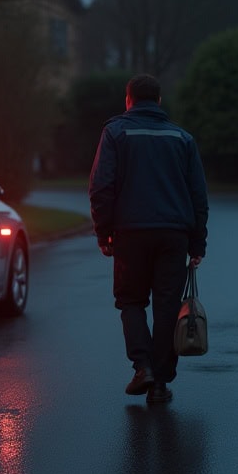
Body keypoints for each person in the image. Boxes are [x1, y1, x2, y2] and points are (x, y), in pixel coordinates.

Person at [88, 74, 209, 403]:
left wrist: (104, 232)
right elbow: (198, 195)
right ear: (158, 102)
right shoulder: (182, 138)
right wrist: (197, 243)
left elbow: (101, 187)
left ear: (128, 101)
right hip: (174, 235)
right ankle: (160, 383)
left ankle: (142, 367)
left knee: (131, 301)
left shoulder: (115, 132)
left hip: (130, 233)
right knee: (168, 307)